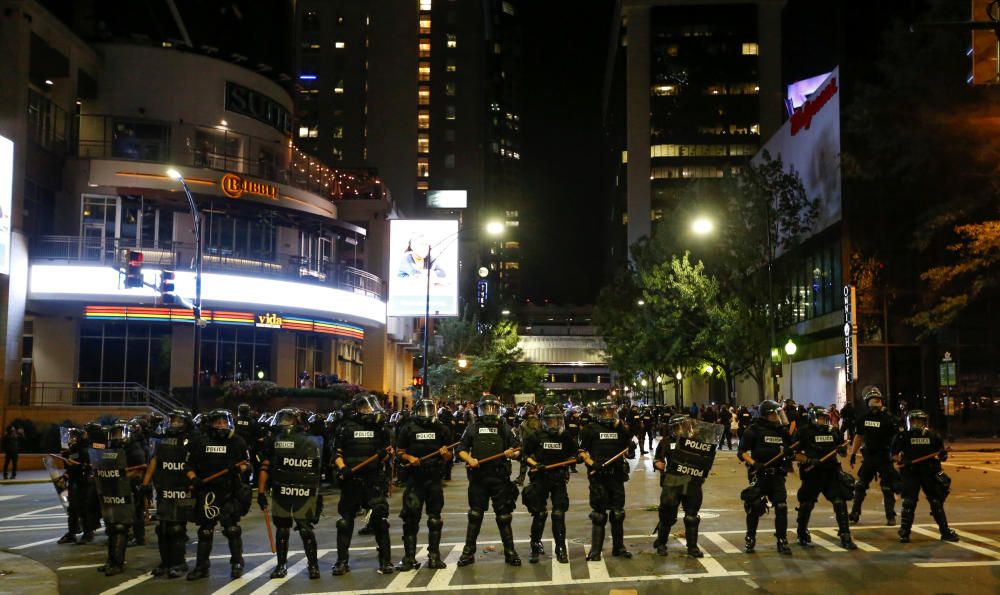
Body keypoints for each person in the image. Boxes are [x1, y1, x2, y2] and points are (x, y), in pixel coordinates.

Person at [184, 409, 251, 580]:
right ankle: (201, 566)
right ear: (211, 424)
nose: (221, 426)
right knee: (205, 531)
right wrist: (194, 479)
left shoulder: (237, 441)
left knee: (231, 528)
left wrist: (238, 469)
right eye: (218, 422)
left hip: (229, 490)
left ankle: (237, 563)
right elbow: (188, 465)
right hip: (207, 491)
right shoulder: (200, 442)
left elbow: (247, 465)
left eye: (224, 422)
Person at [456, 396, 522, 567]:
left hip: (500, 478)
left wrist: (512, 453)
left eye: (493, 408)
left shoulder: (505, 428)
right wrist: (469, 459)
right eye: (487, 408)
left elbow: (518, 449)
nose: (490, 412)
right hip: (479, 478)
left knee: (504, 516)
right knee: (475, 515)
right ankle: (468, 552)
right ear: (480, 410)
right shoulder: (472, 428)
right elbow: (461, 449)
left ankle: (510, 552)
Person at [257, 408, 323, 580]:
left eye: (288, 420)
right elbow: (265, 466)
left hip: (303, 491)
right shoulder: (273, 441)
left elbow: (315, 469)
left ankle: (313, 565)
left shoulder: (310, 442)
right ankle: (281, 565)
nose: (284, 424)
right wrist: (261, 492)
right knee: (282, 529)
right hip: (281, 490)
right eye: (282, 420)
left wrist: (316, 492)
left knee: (305, 530)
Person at [331, 394, 393, 576]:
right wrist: (343, 469)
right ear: (357, 409)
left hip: (373, 480)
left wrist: (384, 455)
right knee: (344, 522)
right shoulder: (345, 428)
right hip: (352, 480)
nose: (369, 410)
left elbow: (389, 453)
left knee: (380, 521)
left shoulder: (381, 428)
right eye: (365, 407)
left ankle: (386, 561)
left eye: (370, 406)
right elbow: (337, 453)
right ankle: (342, 562)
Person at [394, 398, 452, 571]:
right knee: (410, 520)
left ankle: (434, 557)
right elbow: (399, 452)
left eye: (429, 410)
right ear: (416, 411)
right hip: (414, 480)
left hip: (434, 479)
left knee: (434, 519)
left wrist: (445, 454)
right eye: (422, 411)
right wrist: (409, 458)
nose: (426, 414)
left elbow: (450, 456)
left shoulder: (442, 429)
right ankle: (409, 557)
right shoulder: (408, 429)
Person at [653, 414, 722, 558]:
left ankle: (692, 547)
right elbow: (658, 458)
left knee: (692, 517)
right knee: (667, 516)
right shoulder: (666, 442)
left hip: (692, 482)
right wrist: (658, 464)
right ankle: (661, 543)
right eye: (677, 427)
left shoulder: (697, 441)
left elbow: (706, 458)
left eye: (682, 426)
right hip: (673, 482)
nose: (680, 429)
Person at [791, 406, 857, 550]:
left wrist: (842, 450)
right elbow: (793, 453)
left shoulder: (833, 431)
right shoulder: (804, 432)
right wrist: (808, 460)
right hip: (812, 473)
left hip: (831, 471)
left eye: (824, 419)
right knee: (807, 503)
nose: (822, 421)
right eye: (820, 418)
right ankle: (801, 532)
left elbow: (843, 453)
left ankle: (845, 534)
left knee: (839, 501)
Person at [579, 399, 636, 561]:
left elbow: (627, 451)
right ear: (599, 413)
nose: (609, 414)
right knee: (599, 515)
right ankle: (595, 550)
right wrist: (593, 464)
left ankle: (619, 547)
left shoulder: (620, 429)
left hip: (616, 475)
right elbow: (581, 452)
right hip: (598, 475)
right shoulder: (590, 429)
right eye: (605, 412)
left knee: (618, 513)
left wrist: (630, 449)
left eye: (611, 411)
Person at [893, 410, 959, 543]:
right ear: (909, 422)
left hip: (928, 472)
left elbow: (942, 456)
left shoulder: (933, 436)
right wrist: (901, 460)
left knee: (935, 501)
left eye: (920, 421)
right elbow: (894, 455)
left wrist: (942, 455)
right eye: (914, 421)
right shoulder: (903, 436)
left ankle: (944, 532)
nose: (917, 424)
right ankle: (905, 533)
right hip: (911, 471)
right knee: (909, 502)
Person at [144, 409, 196, 578]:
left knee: (176, 528)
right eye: (173, 420)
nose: (175, 424)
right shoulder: (162, 440)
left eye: (179, 421)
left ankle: (179, 563)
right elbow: (155, 460)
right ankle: (165, 562)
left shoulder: (193, 440)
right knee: (163, 527)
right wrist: (146, 483)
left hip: (182, 488)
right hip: (163, 488)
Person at [522, 406, 577, 564]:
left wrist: (578, 456)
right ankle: (535, 545)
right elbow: (524, 454)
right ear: (544, 421)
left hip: (558, 478)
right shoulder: (536, 436)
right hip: (540, 477)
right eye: (550, 420)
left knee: (558, 513)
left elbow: (575, 451)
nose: (554, 424)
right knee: (539, 513)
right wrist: (535, 463)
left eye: (556, 420)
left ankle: (560, 548)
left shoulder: (564, 437)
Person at [738, 400, 793, 555]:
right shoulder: (753, 430)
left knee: (781, 506)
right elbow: (741, 452)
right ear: (767, 415)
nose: (778, 416)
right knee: (755, 506)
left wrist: (789, 453)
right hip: (760, 474)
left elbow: (791, 447)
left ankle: (782, 540)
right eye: (776, 413)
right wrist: (754, 464)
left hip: (777, 475)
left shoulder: (781, 431)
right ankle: (750, 537)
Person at [848, 386, 900, 525]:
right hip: (870, 457)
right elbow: (859, 436)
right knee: (861, 486)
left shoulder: (889, 419)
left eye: (877, 401)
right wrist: (853, 453)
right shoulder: (864, 418)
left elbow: (899, 438)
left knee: (887, 487)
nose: (875, 404)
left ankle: (890, 515)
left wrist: (897, 453)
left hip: (884, 456)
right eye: (873, 401)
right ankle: (855, 512)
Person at [93, 422, 137, 576]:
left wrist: (123, 477)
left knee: (120, 527)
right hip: (111, 492)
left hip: (127, 492)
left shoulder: (133, 450)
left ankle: (118, 563)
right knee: (111, 526)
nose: (117, 437)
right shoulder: (109, 451)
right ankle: (110, 561)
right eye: (115, 434)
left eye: (119, 433)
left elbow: (141, 470)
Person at [125, 417, 151, 546]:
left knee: (137, 510)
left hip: (135, 481)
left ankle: (139, 536)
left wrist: (125, 473)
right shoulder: (132, 445)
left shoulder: (136, 447)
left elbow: (142, 466)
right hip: (131, 480)